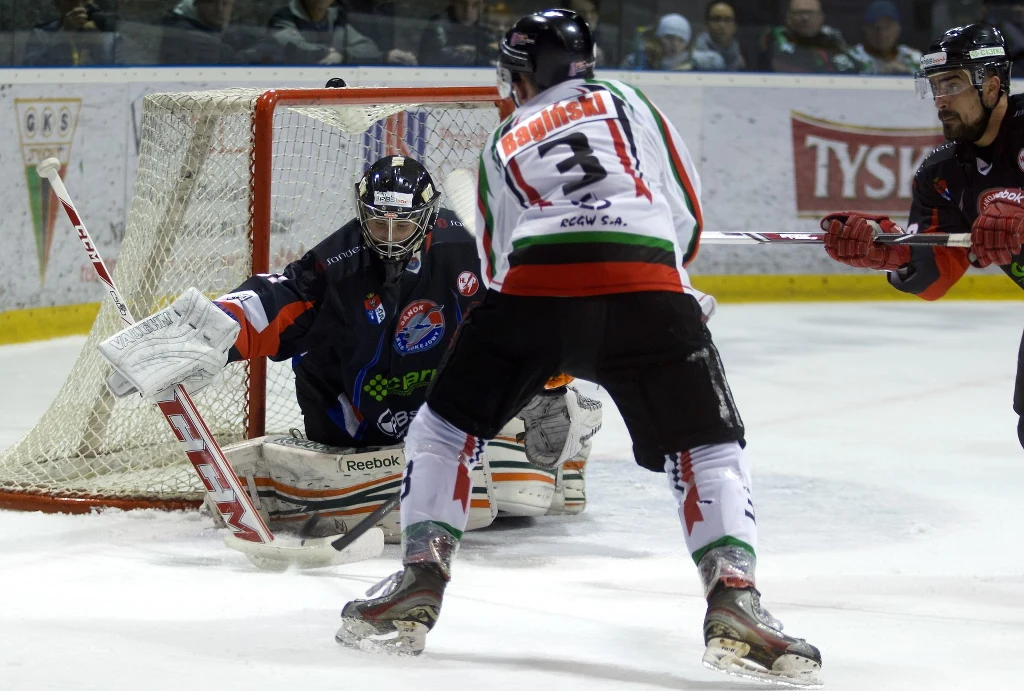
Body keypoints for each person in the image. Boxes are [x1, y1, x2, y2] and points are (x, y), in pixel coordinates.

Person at [332, 8, 822, 687]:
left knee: (442, 429)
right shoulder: (627, 100)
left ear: (527, 73)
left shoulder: (504, 137)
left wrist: (534, 345)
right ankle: (734, 597)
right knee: (707, 445)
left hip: (535, 286)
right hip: (646, 282)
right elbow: (685, 208)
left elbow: (496, 262)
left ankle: (418, 580)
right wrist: (670, 296)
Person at [96, 154, 599, 535]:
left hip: (436, 397)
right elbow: (278, 299)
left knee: (519, 495)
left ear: (425, 219)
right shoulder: (338, 264)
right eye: (377, 222)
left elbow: (533, 314)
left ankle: (569, 447)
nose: (388, 236)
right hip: (351, 406)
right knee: (458, 502)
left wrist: (550, 386)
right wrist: (213, 331)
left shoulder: (464, 252)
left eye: (402, 224)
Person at [820, 24, 1024, 452]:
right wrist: (888, 252)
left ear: (991, 85)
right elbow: (937, 276)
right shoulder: (942, 173)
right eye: (934, 86)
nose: (941, 100)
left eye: (952, 83)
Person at [265, 0, 387, 65]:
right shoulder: (283, 17)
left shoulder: (336, 19)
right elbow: (292, 46)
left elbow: (368, 48)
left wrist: (343, 55)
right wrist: (325, 52)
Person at [759, 0, 862, 73]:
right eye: (799, 13)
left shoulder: (835, 43)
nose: (805, 18)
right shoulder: (775, 43)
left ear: (821, 18)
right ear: (788, 18)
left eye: (810, 13)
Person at [22, 0, 119, 66]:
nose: (76, 5)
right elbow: (30, 71)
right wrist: (63, 34)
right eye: (69, 0)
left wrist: (97, 42)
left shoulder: (110, 37)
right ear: (57, 3)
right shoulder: (42, 34)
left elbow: (120, 75)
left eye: (82, 0)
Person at [621, 14, 723, 71]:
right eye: (669, 38)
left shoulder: (696, 60)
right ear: (659, 38)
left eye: (681, 40)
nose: (675, 44)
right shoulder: (639, 61)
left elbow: (717, 61)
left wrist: (691, 64)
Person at [849, 1, 922, 75]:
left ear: (898, 29)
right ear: (866, 29)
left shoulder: (912, 57)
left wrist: (906, 73)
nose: (882, 34)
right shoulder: (851, 57)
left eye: (887, 27)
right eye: (876, 27)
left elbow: (927, 82)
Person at [418, 0, 499, 66]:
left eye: (476, 5)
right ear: (453, 2)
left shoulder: (484, 31)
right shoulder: (438, 26)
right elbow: (436, 57)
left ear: (483, 6)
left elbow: (496, 55)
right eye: (462, 4)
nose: (468, 12)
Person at [693, 0, 745, 71]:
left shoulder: (741, 60)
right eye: (716, 19)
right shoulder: (693, 60)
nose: (722, 25)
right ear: (706, 24)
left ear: (735, 26)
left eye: (727, 20)